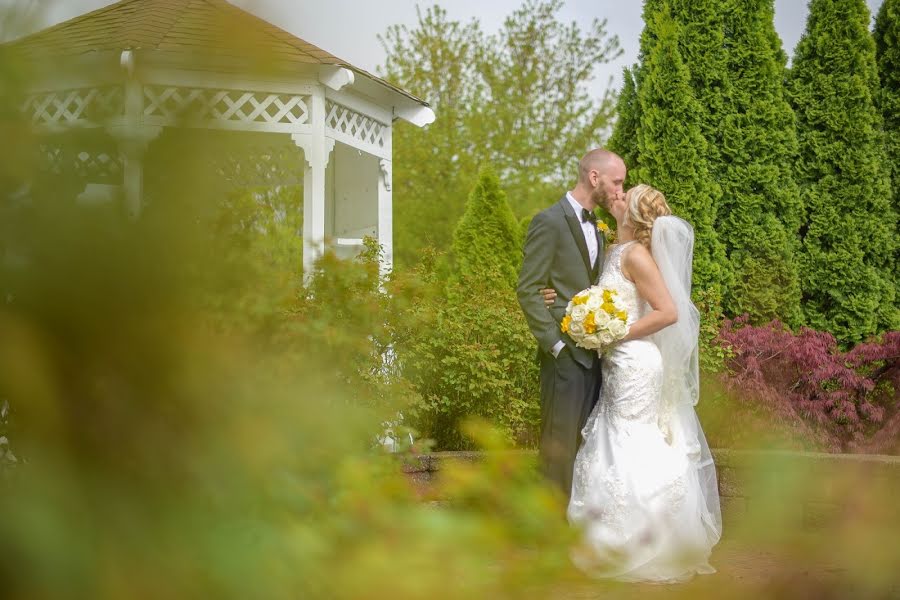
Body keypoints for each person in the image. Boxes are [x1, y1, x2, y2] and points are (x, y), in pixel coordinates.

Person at [542, 184, 722, 582]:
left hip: (635, 362)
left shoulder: (638, 255)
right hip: (615, 362)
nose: (617, 198)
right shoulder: (614, 250)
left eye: (627, 196)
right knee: (609, 435)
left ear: (636, 215)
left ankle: (639, 539)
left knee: (626, 438)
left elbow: (668, 312)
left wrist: (617, 334)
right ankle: (602, 537)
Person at [516, 149, 626, 498]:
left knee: (585, 448)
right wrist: (556, 344)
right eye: (617, 181)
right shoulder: (549, 221)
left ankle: (575, 524)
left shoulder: (599, 226)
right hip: (563, 358)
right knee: (558, 449)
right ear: (595, 178)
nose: (620, 189)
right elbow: (529, 288)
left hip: (595, 356)